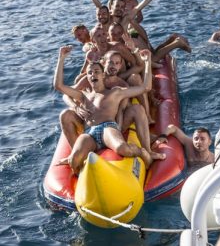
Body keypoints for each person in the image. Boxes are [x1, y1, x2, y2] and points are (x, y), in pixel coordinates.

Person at [54, 45, 159, 174]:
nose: (93, 74)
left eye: (97, 71)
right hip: (89, 133)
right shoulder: (83, 96)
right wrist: (61, 58)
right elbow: (58, 86)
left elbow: (145, 88)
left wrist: (147, 61)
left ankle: (142, 151)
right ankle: (82, 171)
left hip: (108, 128)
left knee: (122, 148)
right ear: (87, 77)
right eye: (90, 72)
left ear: (103, 75)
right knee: (74, 160)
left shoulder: (115, 92)